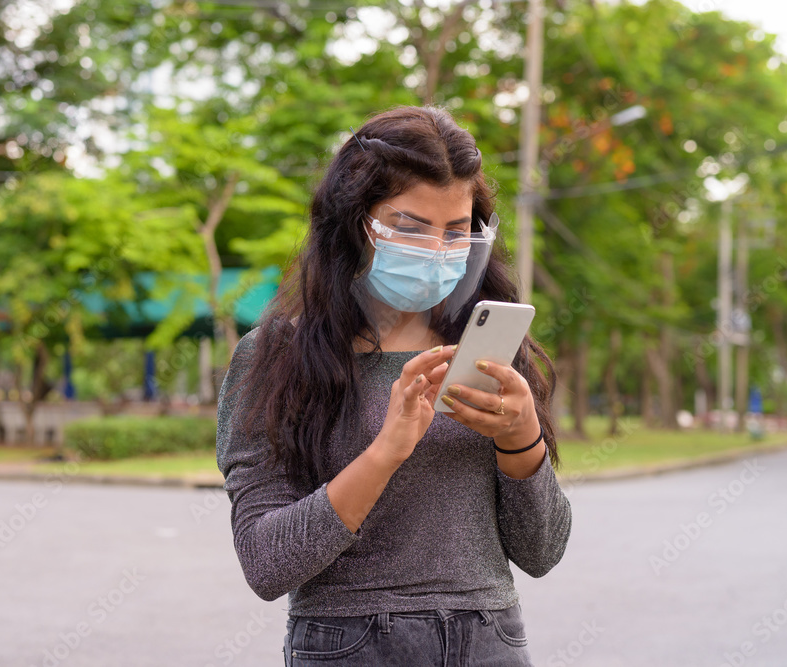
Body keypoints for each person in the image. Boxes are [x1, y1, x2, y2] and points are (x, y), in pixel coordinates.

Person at [216, 105, 572, 666]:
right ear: (353, 220)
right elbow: (266, 563)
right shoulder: (275, 357)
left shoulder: (490, 347)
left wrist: (522, 440)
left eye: (456, 231)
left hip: (489, 640)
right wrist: (386, 449)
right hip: (351, 644)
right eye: (410, 226)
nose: (435, 250)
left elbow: (542, 550)